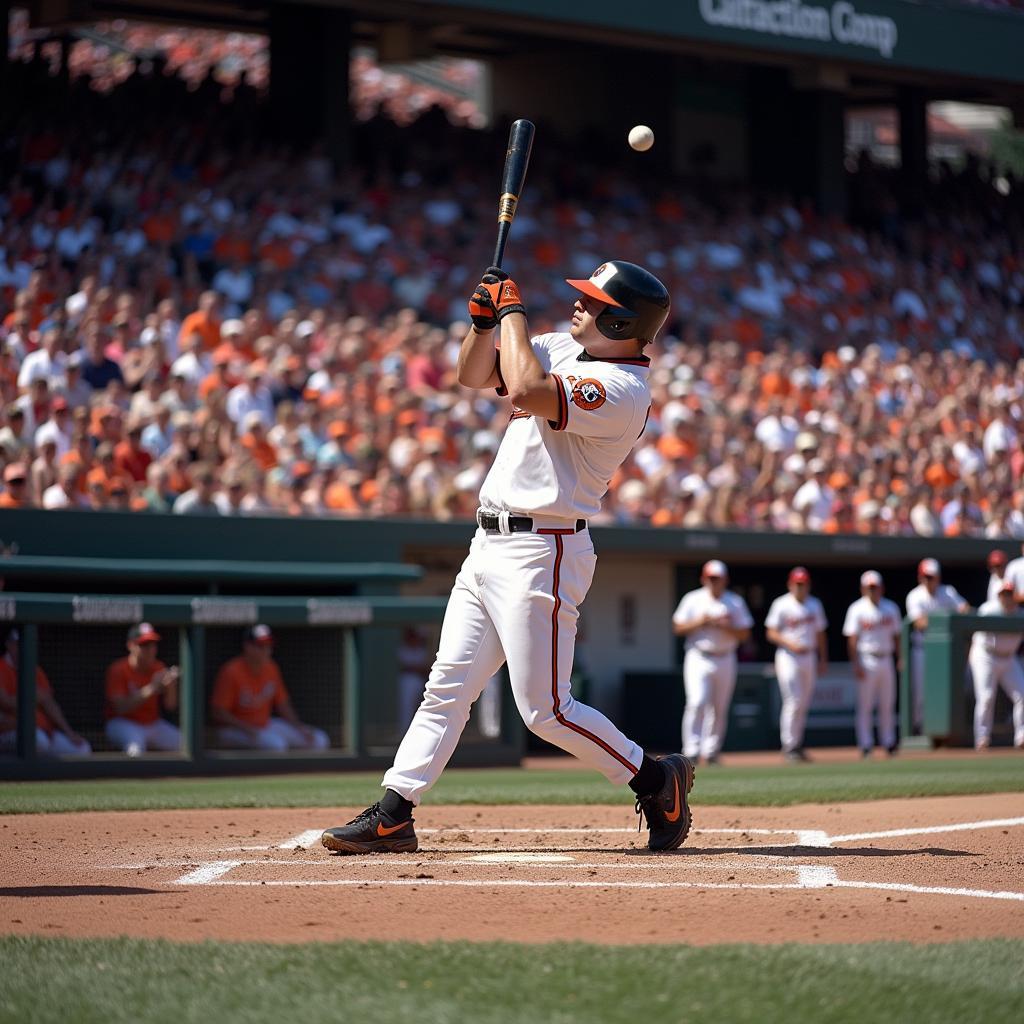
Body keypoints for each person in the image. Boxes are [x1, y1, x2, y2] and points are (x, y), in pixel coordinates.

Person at [322, 259, 695, 855]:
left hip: (543, 548)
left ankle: (657, 779)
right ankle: (395, 812)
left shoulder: (624, 391)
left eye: (594, 302)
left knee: (544, 710)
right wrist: (483, 323)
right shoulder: (554, 346)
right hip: (488, 542)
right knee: (446, 686)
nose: (579, 305)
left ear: (624, 322)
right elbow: (473, 375)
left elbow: (523, 389)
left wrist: (513, 311)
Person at [670, 559, 753, 766]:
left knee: (719, 706)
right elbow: (677, 628)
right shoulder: (693, 599)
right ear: (704, 579)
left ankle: (712, 750)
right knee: (697, 701)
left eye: (718, 578)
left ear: (725, 580)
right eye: (710, 578)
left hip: (725, 656)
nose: (714, 582)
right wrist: (702, 621)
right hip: (699, 655)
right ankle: (691, 750)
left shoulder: (734, 602)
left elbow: (744, 634)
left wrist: (727, 626)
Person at [210, 624, 329, 751]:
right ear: (247, 646)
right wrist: (247, 729)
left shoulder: (271, 668)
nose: (266, 650)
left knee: (319, 739)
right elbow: (218, 713)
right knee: (276, 745)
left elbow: (283, 704)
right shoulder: (231, 671)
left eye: (268, 646)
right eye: (261, 646)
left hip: (265, 724)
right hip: (233, 730)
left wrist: (299, 727)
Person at [764, 566, 828, 762]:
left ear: (808, 585)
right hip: (788, 656)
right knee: (794, 700)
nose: (800, 587)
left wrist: (822, 658)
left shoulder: (814, 604)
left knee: (804, 702)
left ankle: (796, 744)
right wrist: (789, 643)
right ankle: (789, 745)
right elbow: (770, 632)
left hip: (809, 655)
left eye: (803, 584)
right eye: (797, 583)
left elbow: (820, 633)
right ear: (790, 584)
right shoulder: (781, 604)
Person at [0, 628, 92, 755]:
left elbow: (49, 703)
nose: (22, 648)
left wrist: (69, 733)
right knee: (39, 742)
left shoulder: (35, 670)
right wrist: (32, 696)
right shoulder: (2, 667)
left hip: (42, 730)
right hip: (9, 731)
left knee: (82, 749)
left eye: (25, 644)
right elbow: (5, 701)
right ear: (8, 645)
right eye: (17, 644)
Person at [905, 558, 969, 733]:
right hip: (922, 650)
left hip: (945, 653)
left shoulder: (947, 592)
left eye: (931, 576)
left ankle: (942, 730)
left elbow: (965, 609)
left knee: (946, 692)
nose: (928, 580)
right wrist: (947, 620)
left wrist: (949, 618)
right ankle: (919, 729)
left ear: (938, 577)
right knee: (920, 694)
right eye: (925, 576)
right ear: (919, 577)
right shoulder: (915, 595)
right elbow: (919, 622)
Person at [843, 570, 902, 758]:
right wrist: (856, 663)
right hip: (866, 658)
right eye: (869, 588)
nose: (872, 591)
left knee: (888, 703)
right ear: (863, 589)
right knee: (865, 705)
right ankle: (866, 744)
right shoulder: (856, 609)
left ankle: (889, 742)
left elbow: (897, 636)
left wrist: (900, 657)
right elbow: (852, 639)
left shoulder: (891, 608)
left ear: (881, 588)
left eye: (875, 587)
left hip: (886, 658)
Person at [104, 622, 181, 756]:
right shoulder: (118, 669)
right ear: (131, 646)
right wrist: (152, 688)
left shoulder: (159, 667)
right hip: (122, 723)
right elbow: (120, 708)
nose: (150, 649)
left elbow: (170, 706)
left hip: (153, 724)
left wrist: (171, 686)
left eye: (153, 644)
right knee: (136, 751)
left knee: (185, 745)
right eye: (144, 645)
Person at [968, 580, 1024, 751]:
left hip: (1008, 658)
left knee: (1022, 694)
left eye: (1009, 594)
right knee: (986, 697)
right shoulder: (988, 609)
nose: (1007, 598)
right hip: (986, 655)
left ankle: (1022, 737)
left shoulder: (1020, 614)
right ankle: (982, 738)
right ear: (998, 596)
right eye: (1003, 594)